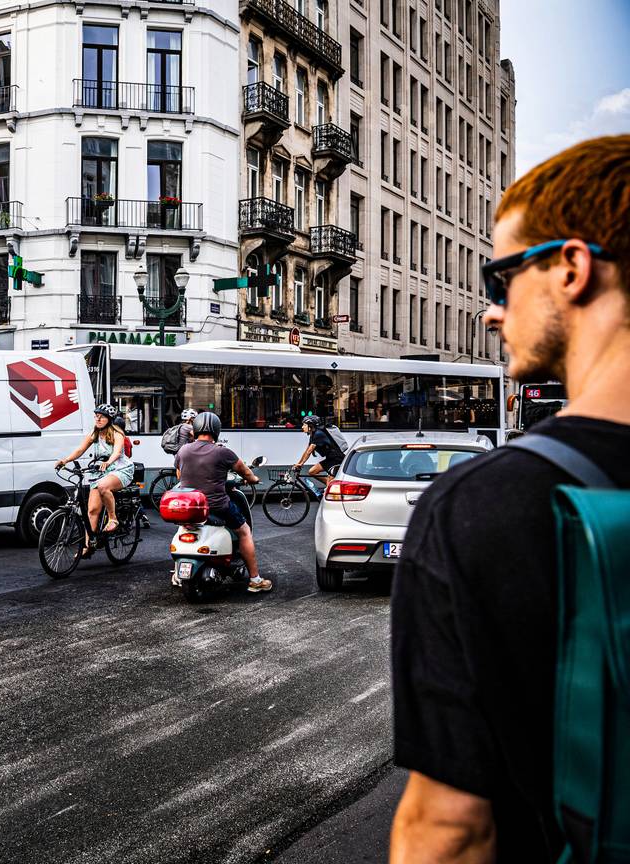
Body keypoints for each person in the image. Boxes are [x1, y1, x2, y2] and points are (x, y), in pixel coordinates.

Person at [389, 136, 630, 863]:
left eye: (501, 280)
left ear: (571, 267)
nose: (492, 312)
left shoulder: (481, 505)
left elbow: (449, 833)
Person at [173, 411, 271, 593]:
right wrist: (254, 479)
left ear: (195, 430)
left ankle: (176, 573)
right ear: (217, 430)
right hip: (217, 505)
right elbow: (245, 472)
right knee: (244, 531)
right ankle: (255, 579)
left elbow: (179, 475)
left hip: (190, 505)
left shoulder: (183, 450)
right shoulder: (222, 452)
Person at [56, 404, 134, 548]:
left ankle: (112, 519)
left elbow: (117, 452)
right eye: (96, 416)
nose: (98, 419)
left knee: (103, 486)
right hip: (100, 471)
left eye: (102, 416)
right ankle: (89, 545)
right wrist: (65, 460)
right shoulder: (95, 434)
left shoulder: (117, 434)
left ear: (109, 419)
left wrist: (108, 461)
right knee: (92, 510)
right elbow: (80, 449)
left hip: (120, 469)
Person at [291, 414, 343, 487]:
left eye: (304, 425)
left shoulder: (318, 434)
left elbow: (309, 451)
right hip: (330, 459)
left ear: (310, 426)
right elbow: (306, 451)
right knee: (312, 472)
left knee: (330, 486)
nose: (302, 427)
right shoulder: (313, 435)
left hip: (336, 459)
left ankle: (329, 486)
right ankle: (329, 485)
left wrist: (301, 464)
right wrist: (299, 464)